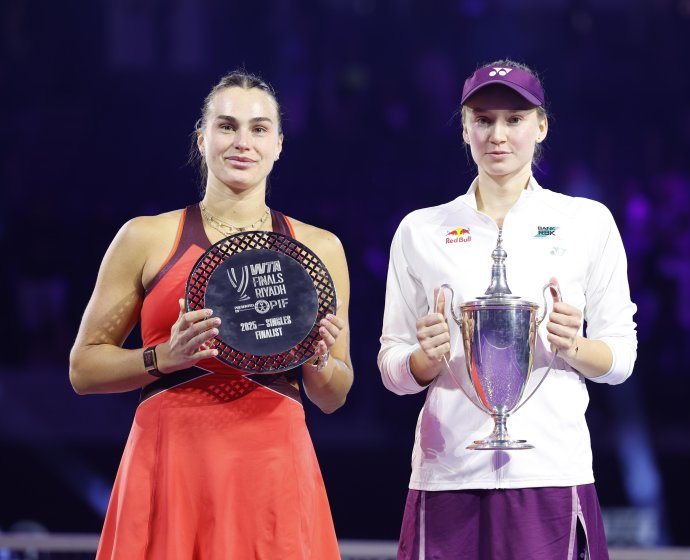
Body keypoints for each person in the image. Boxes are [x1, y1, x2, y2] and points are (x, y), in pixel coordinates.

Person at [69, 70, 353, 560]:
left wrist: (318, 357)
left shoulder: (319, 248)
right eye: (227, 126)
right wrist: (164, 356)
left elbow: (333, 395)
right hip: (172, 460)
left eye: (259, 129)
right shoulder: (145, 237)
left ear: (278, 145)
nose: (243, 142)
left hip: (272, 466)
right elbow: (83, 369)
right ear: (201, 139)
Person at [378, 60, 637, 559]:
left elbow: (621, 358)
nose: (497, 135)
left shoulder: (586, 222)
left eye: (514, 119)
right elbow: (392, 366)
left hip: (551, 473)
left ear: (541, 127)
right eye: (483, 119)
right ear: (465, 129)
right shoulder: (421, 230)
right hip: (448, 473)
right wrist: (422, 360)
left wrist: (575, 346)